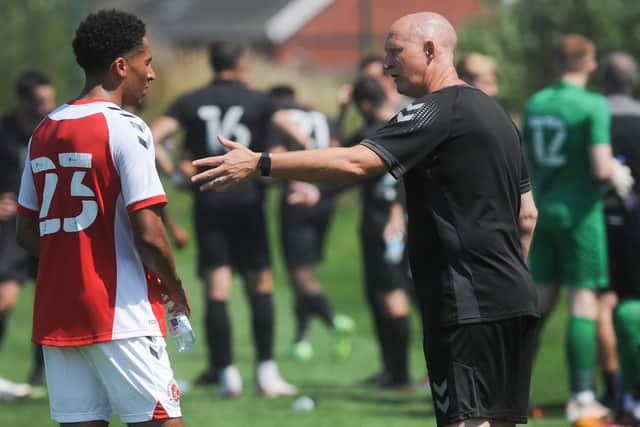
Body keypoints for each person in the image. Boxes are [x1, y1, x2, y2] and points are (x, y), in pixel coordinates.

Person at [192, 12, 540, 427]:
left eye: (395, 53)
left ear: (430, 50)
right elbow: (528, 215)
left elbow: (356, 161)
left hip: (465, 301)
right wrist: (506, 276)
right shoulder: (499, 116)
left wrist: (260, 163)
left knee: (466, 422)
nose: (386, 66)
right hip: (512, 296)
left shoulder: (436, 110)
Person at [16, 9, 189, 426]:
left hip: (59, 316)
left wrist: (77, 260)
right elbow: (149, 233)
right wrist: (176, 290)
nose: (151, 74)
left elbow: (27, 232)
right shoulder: (126, 128)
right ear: (121, 66)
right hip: (122, 316)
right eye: (146, 62)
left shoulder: (45, 129)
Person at [150, 41, 299, 398]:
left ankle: (227, 373)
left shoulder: (190, 100)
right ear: (241, 62)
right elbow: (298, 134)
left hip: (210, 203)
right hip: (249, 203)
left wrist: (174, 174)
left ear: (212, 64)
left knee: (217, 287)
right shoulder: (261, 101)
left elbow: (152, 138)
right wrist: (283, 171)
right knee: (259, 284)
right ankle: (266, 372)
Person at [522, 34, 633, 422]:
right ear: (589, 64)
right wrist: (616, 175)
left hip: (543, 207)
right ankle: (581, 395)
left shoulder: (536, 103)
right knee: (583, 302)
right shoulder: (591, 104)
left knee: (538, 303)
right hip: (581, 214)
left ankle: (511, 388)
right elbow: (601, 167)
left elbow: (528, 160)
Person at [267, 84, 355, 362]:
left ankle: (333, 321)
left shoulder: (277, 117)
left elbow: (276, 156)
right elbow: (337, 148)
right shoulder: (322, 117)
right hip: (325, 200)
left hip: (297, 197)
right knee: (304, 271)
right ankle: (301, 338)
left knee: (299, 274)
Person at [348, 76, 413, 390]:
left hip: (383, 224)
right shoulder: (404, 127)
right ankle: (392, 371)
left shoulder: (366, 134)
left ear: (362, 104)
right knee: (382, 294)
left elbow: (341, 166)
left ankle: (400, 375)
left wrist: (396, 209)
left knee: (391, 295)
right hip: (399, 223)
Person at [0, 70, 55, 399]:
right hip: (11, 229)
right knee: (5, 297)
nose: (45, 108)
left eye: (49, 101)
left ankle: (41, 373)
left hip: (49, 225)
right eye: (38, 102)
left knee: (49, 301)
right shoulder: (3, 131)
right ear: (21, 101)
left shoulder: (57, 129)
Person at [599, 51, 640, 423]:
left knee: (606, 302)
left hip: (599, 219)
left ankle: (616, 390)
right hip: (636, 221)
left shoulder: (596, 116)